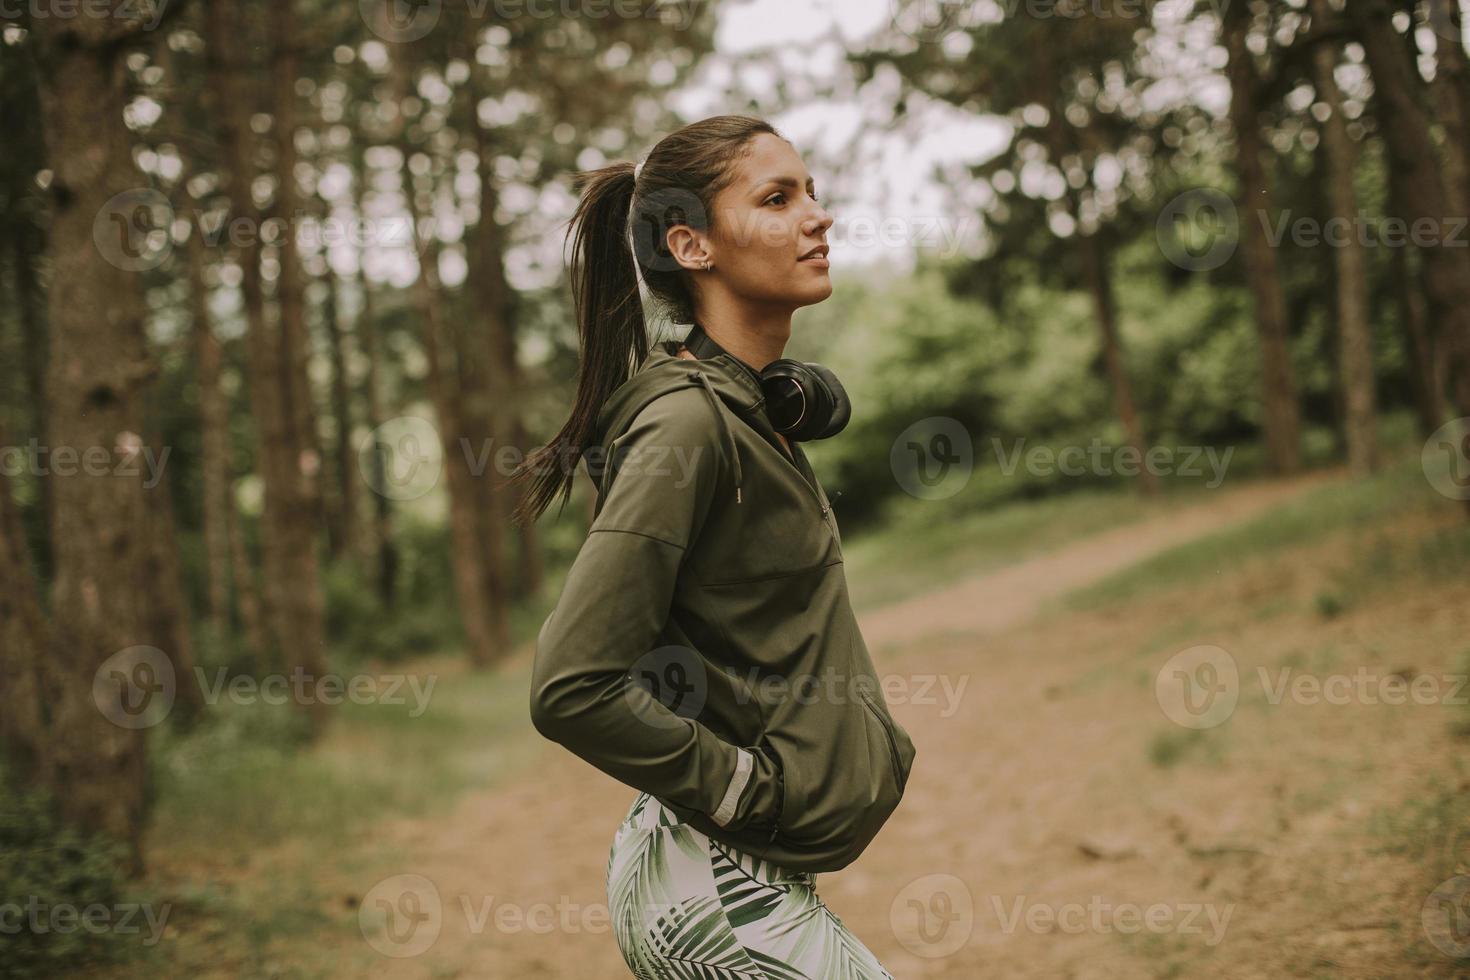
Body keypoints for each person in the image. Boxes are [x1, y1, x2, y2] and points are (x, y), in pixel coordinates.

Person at [509, 114, 915, 978]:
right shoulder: (687, 422)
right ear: (692, 246)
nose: (818, 216)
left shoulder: (744, 407)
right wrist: (746, 790)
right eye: (777, 198)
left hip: (720, 868)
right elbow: (571, 685)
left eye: (810, 190)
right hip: (719, 886)